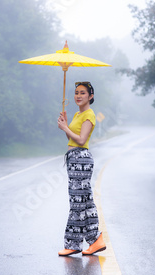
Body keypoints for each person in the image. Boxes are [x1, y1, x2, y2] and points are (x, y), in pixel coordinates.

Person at [56, 81, 106, 257]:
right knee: (82, 202)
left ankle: (77, 243)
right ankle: (90, 241)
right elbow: (72, 138)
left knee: (79, 202)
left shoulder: (89, 115)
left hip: (81, 160)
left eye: (83, 93)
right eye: (76, 92)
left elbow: (81, 139)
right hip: (74, 159)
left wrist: (65, 128)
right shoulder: (79, 114)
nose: (78, 95)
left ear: (90, 96)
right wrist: (66, 125)